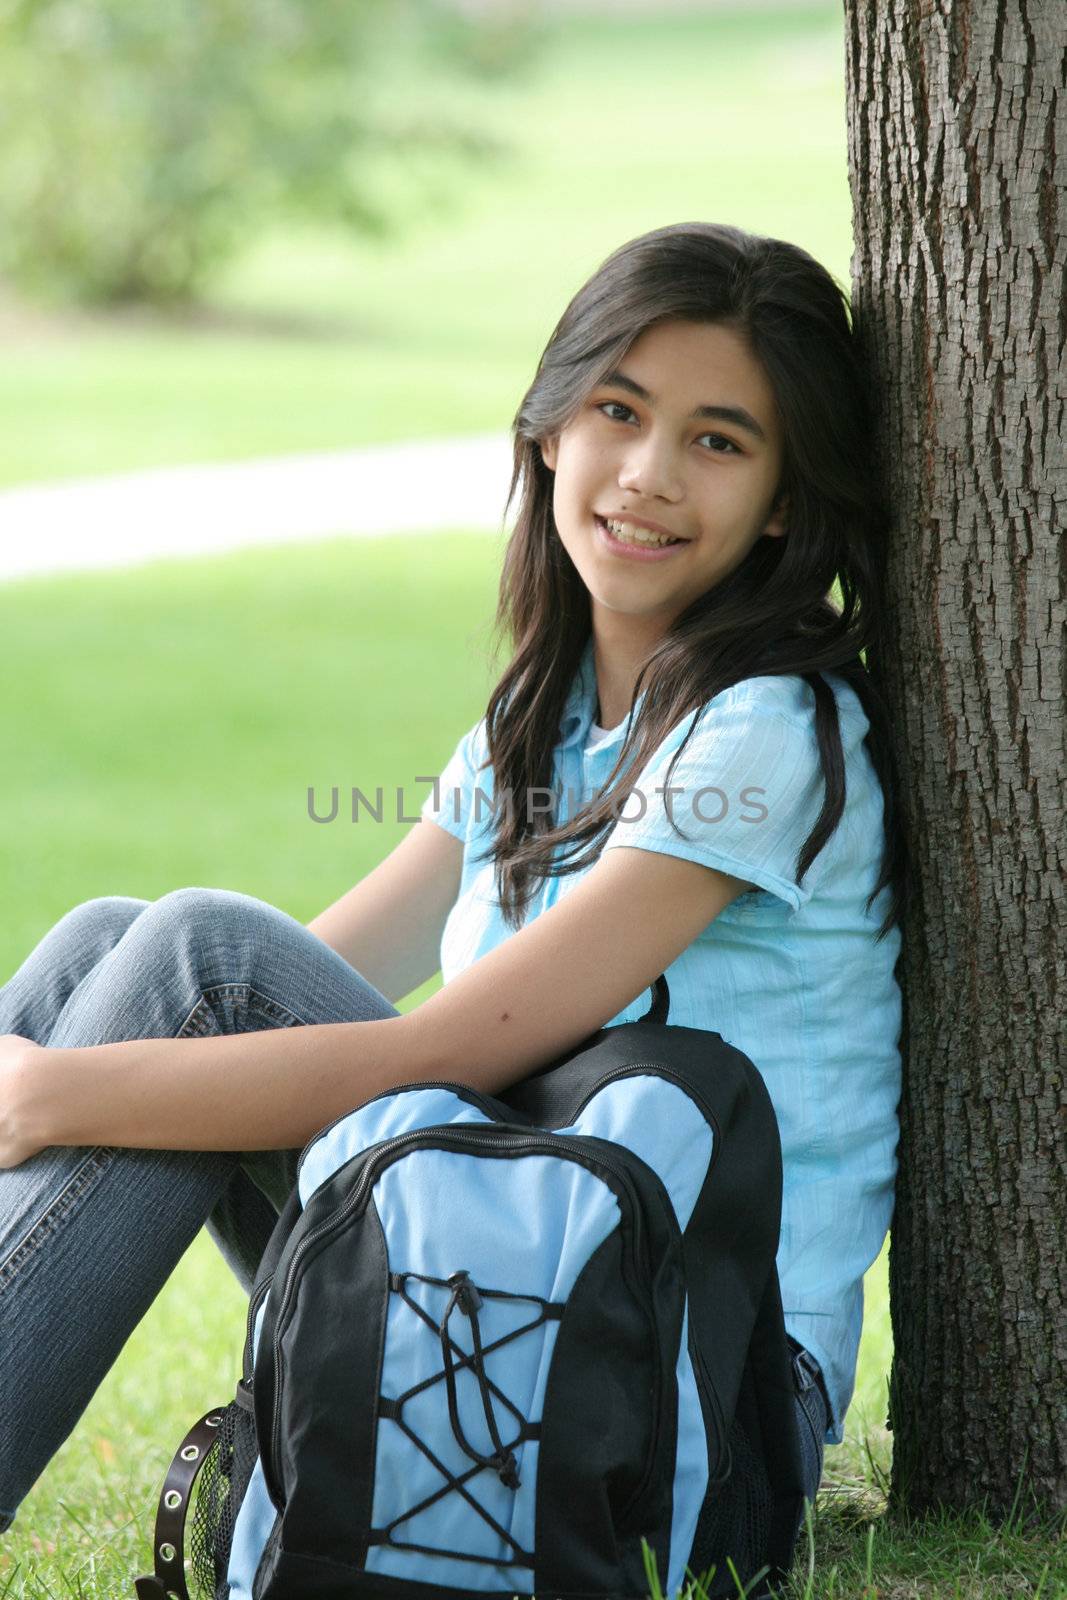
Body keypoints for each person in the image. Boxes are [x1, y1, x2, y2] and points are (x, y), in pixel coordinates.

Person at [0, 221, 906, 1552]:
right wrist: (83, 1063)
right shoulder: (536, 725)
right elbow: (303, 986)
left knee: (193, 959)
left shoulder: (766, 733)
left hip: (686, 1373)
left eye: (718, 441)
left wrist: (50, 1092)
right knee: (112, 949)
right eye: (619, 411)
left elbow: (422, 1044)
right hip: (529, 1282)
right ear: (547, 432)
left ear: (783, 498)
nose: (651, 474)